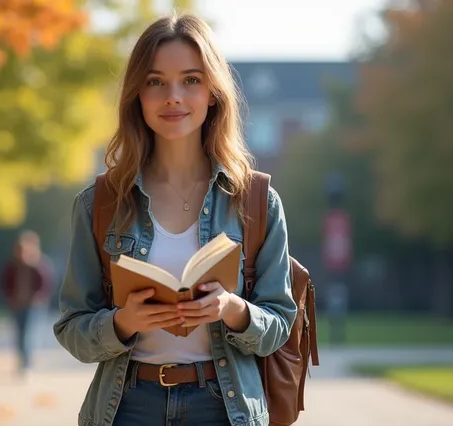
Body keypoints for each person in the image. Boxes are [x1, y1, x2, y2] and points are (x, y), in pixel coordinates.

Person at [53, 13, 297, 426]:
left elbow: (280, 324)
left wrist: (233, 309)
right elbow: (72, 326)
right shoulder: (100, 203)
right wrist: (122, 322)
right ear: (137, 95)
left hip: (224, 408)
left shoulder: (257, 201)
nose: (173, 97)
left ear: (214, 93)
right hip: (127, 407)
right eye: (155, 82)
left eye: (191, 80)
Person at [0, 230, 53, 374]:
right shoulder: (12, 266)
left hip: (33, 306)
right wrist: (10, 298)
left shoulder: (39, 265)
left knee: (30, 333)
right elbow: (5, 283)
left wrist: (37, 298)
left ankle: (27, 362)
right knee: (19, 332)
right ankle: (22, 360)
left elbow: (45, 285)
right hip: (17, 304)